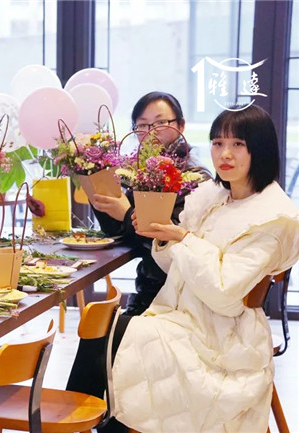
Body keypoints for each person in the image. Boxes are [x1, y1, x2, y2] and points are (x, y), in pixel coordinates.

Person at [69, 105, 299, 432]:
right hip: (182, 316)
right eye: (218, 143)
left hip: (224, 338)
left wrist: (184, 238)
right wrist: (164, 237)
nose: (225, 154)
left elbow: (224, 295)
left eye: (238, 144)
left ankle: (75, 424)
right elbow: (175, 267)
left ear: (259, 149)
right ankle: (78, 424)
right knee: (106, 330)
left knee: (114, 335)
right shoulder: (213, 196)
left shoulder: (272, 217)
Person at [89, 91, 211, 315]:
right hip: (151, 289)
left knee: (104, 329)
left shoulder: (193, 176)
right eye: (142, 125)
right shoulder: (145, 172)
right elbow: (121, 232)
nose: (151, 132)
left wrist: (127, 214)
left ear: (181, 125)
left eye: (160, 123)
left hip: (178, 295)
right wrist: (99, 193)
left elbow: (174, 242)